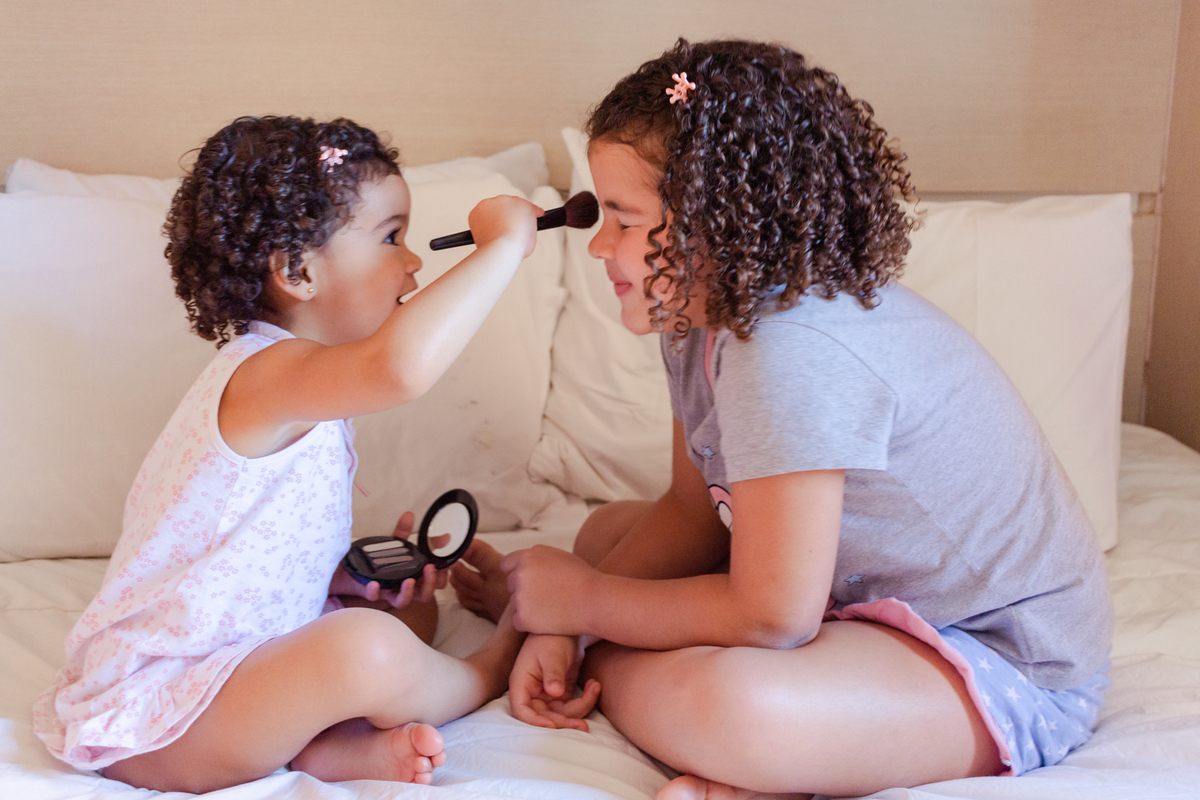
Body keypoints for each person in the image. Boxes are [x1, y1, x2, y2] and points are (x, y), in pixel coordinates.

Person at [451, 40, 1113, 799]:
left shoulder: (790, 349)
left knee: (730, 706)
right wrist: (563, 620)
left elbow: (772, 616)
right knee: (604, 537)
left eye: (627, 222)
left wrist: (582, 610)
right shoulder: (698, 322)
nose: (602, 246)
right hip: (843, 601)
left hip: (997, 658)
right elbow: (692, 512)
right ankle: (765, 754)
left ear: (723, 223)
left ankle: (757, 753)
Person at [32, 115, 538, 793]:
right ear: (297, 270)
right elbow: (401, 367)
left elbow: (237, 558)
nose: (413, 261)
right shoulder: (266, 376)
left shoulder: (296, 382)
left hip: (241, 674)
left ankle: (323, 753)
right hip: (168, 716)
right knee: (371, 651)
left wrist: (340, 580)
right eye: (391, 237)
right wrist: (501, 249)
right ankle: (487, 668)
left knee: (399, 612)